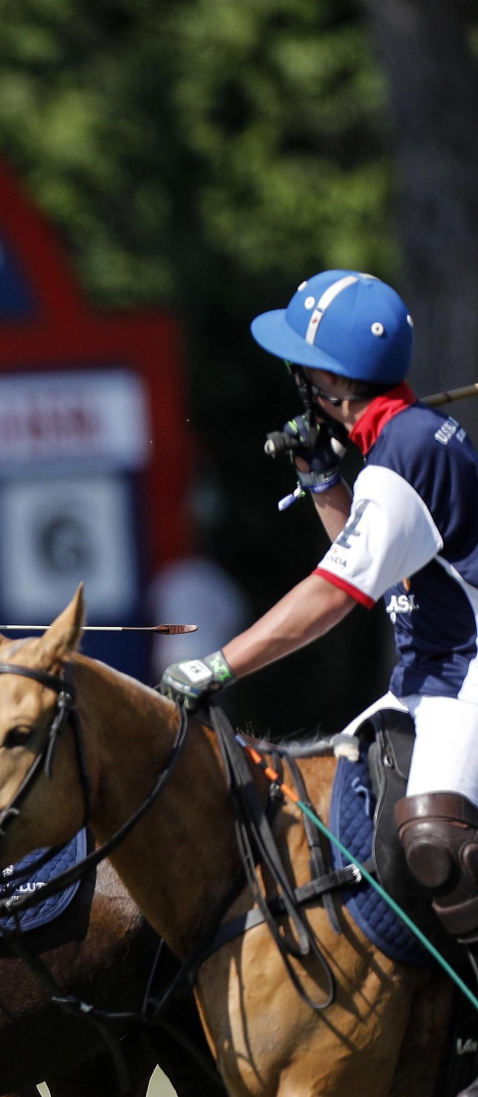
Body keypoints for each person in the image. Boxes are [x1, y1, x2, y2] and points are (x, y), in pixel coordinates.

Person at [159, 271, 478, 965]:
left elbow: (335, 591)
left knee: (436, 839)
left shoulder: (405, 454)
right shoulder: (392, 446)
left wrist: (221, 664)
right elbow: (374, 561)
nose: (296, 377)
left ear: (330, 379)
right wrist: (322, 478)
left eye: (303, 365)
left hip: (468, 671)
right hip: (431, 672)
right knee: (345, 813)